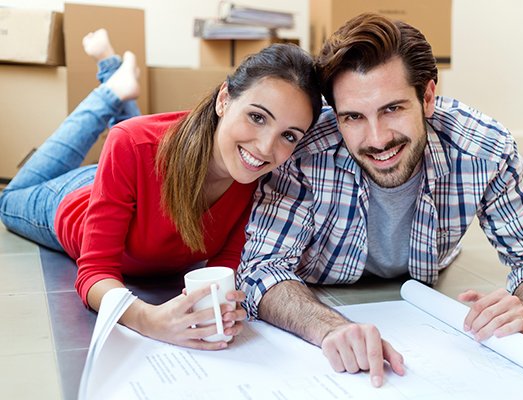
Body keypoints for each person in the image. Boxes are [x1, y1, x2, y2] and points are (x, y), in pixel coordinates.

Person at [237, 13, 523, 386]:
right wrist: (329, 327)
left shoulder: (485, 150)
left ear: (427, 97)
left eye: (392, 109)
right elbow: (262, 268)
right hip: (320, 289)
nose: (377, 139)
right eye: (353, 117)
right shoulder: (303, 151)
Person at [0, 29, 322, 350]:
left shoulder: (260, 178)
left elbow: (223, 269)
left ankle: (118, 77)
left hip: (144, 172)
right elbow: (95, 273)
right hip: (74, 201)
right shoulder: (130, 144)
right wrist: (149, 320)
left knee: (143, 146)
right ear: (224, 99)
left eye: (289, 136)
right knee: (8, 200)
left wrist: (224, 309)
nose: (266, 148)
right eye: (257, 117)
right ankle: (111, 91)